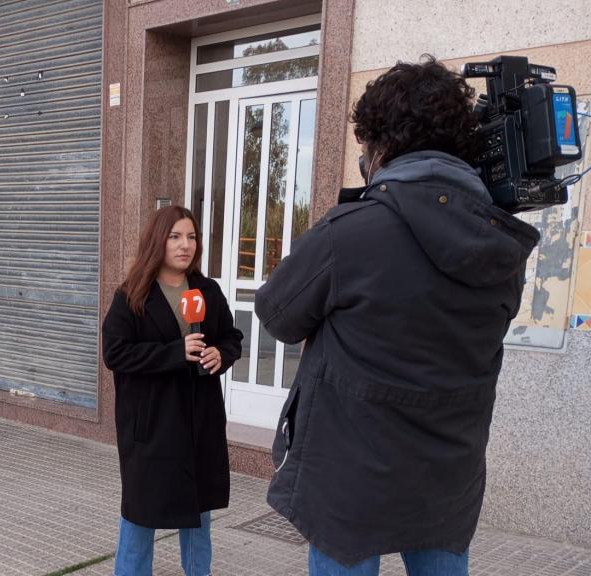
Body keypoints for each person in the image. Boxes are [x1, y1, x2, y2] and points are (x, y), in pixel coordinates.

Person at [256, 57, 540, 575]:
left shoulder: (351, 233)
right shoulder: (502, 243)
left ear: (381, 146)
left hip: (349, 481)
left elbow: (277, 315)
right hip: (448, 478)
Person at [102, 205, 243, 576]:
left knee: (198, 515)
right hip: (152, 427)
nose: (186, 245)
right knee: (140, 516)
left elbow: (231, 337)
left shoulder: (206, 291)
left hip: (199, 423)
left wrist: (221, 354)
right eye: (175, 236)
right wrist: (174, 353)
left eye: (191, 237)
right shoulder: (132, 295)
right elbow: (115, 353)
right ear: (157, 241)